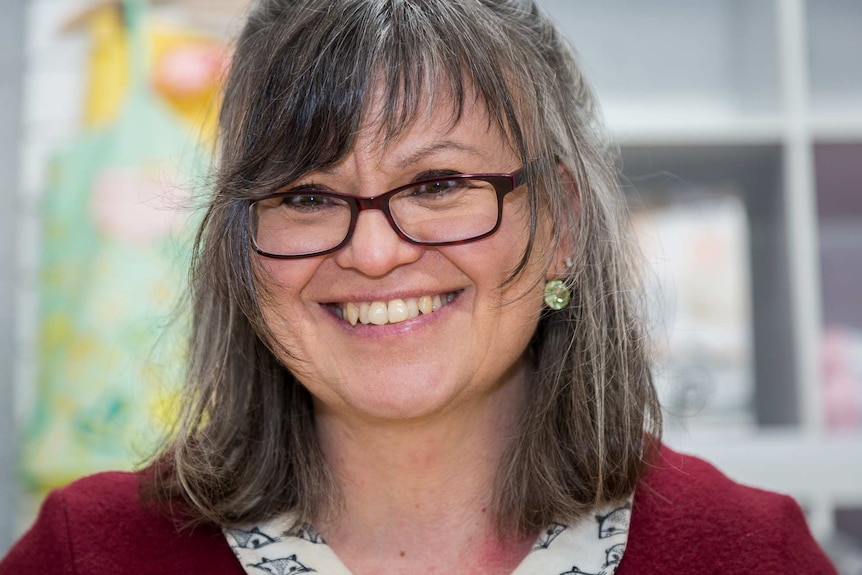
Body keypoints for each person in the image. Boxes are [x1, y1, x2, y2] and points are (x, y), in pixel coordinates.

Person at [1, 1, 839, 573]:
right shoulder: (88, 552)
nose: (371, 251)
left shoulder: (747, 552)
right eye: (306, 195)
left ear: (565, 225)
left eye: (438, 184)